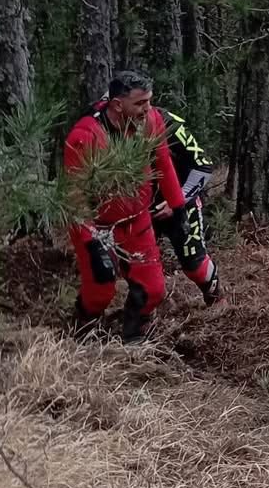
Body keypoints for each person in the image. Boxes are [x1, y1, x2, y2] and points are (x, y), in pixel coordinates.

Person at [64, 68, 193, 341]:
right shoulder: (85, 136)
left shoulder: (151, 121)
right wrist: (91, 243)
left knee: (153, 289)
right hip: (96, 224)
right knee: (101, 288)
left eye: (149, 101)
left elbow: (163, 163)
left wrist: (179, 208)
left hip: (136, 218)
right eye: (140, 103)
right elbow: (75, 198)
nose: (148, 108)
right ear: (117, 105)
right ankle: (83, 330)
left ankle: (134, 334)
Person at [149, 106, 221, 306]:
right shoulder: (104, 124)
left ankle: (218, 303)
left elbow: (203, 165)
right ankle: (143, 315)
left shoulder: (166, 122)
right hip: (139, 208)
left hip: (180, 201)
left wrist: (177, 200)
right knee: (138, 268)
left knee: (195, 265)